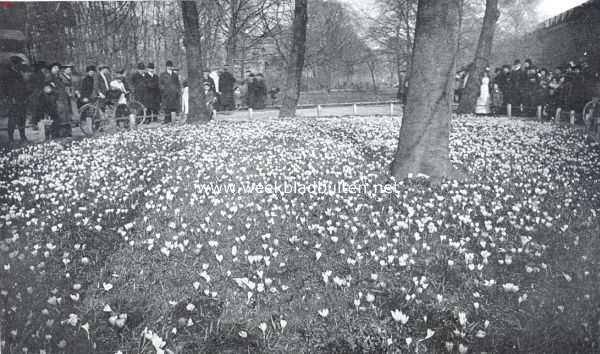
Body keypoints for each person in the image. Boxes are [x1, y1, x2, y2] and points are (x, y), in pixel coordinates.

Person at [3, 57, 32, 144]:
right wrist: (9, 98)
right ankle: (11, 138)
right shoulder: (8, 75)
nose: (20, 65)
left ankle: (23, 136)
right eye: (19, 64)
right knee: (13, 119)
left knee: (22, 118)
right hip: (13, 100)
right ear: (14, 64)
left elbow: (23, 87)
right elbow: (5, 88)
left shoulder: (19, 74)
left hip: (22, 99)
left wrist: (26, 95)